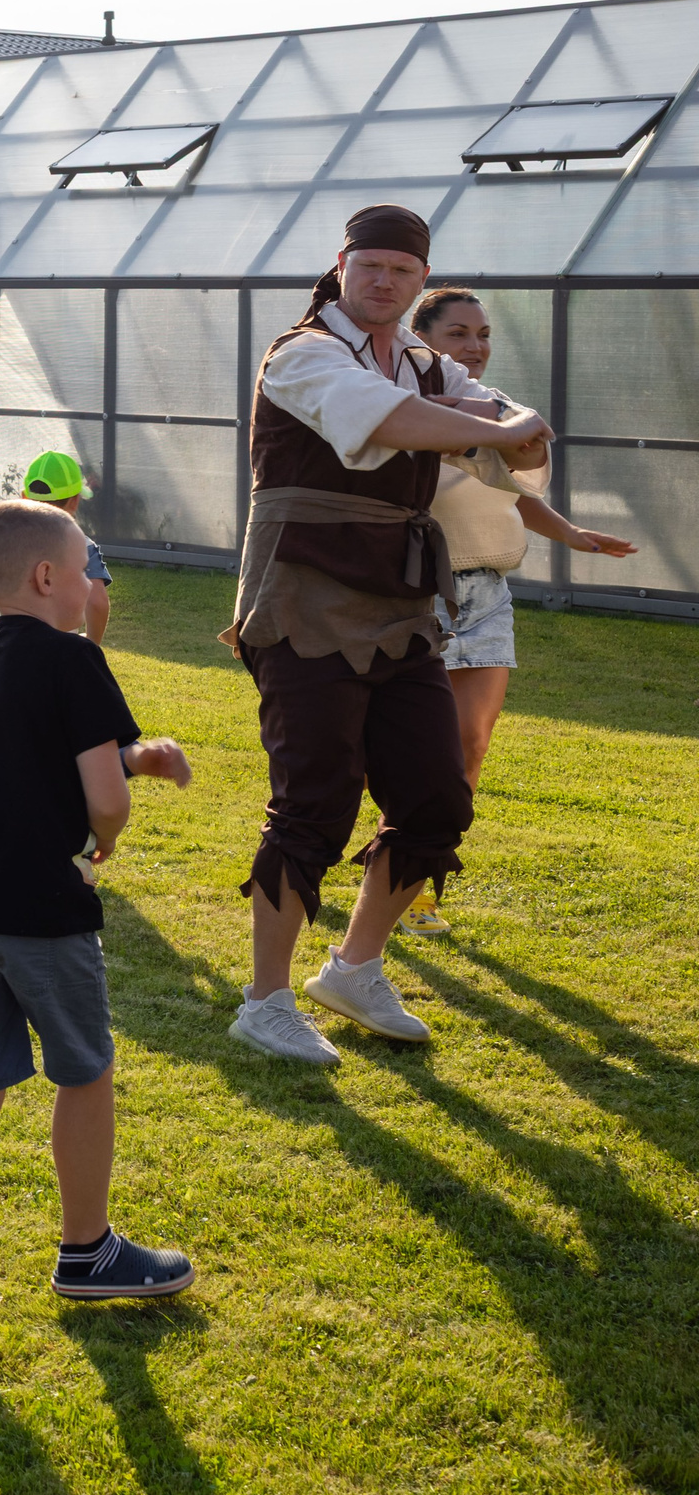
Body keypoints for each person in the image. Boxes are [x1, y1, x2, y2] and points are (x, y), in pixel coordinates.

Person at [223, 206, 553, 1065]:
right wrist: (495, 431)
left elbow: (506, 430)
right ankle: (264, 1000)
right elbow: (390, 421)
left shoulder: (422, 360)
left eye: (403, 273)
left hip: (403, 604)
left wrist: (503, 425)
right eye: (370, 266)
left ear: (418, 282)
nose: (384, 282)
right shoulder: (304, 354)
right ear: (341, 265)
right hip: (304, 599)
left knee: (437, 796)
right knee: (314, 804)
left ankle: (354, 968)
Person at [0, 500, 196, 1335]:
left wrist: (141, 756)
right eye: (85, 570)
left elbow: (45, 758)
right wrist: (104, 838)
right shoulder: (75, 659)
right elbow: (101, 798)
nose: (93, 585)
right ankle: (87, 1251)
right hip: (38, 908)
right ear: (46, 578)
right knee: (85, 1069)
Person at [396, 289, 637, 937]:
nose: (475, 346)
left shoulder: (495, 411)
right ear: (423, 341)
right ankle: (384, 852)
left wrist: (574, 534)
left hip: (486, 598)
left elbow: (513, 492)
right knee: (412, 752)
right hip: (415, 597)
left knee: (469, 749)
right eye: (459, 334)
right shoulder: (404, 410)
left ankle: (418, 890)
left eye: (483, 333)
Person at [0, 449, 113, 643]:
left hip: (1, 646)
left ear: (24, 497)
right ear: (75, 501)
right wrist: (92, 643)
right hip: (54, 652)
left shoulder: (3, 536)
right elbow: (97, 602)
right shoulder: (81, 546)